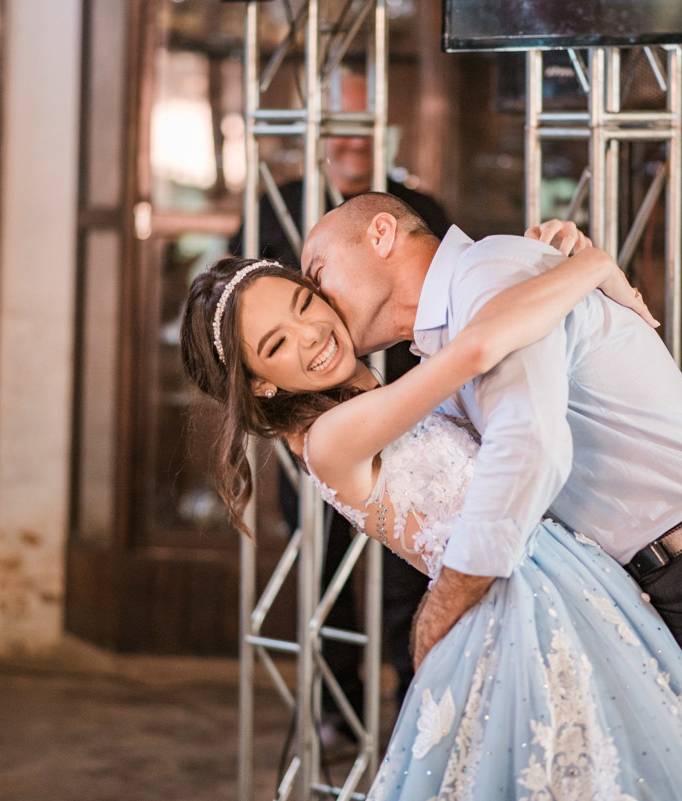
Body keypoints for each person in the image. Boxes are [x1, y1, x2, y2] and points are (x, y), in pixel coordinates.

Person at [180, 221, 682, 799]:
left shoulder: (376, 400)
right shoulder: (329, 441)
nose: (310, 334)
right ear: (259, 386)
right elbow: (479, 347)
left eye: (306, 303)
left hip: (557, 581)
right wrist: (590, 267)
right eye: (276, 344)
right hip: (506, 602)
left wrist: (549, 262)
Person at [227, 68, 452, 740]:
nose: (353, 141)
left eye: (364, 125)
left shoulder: (418, 207)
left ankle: (416, 702)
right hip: (321, 428)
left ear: (384, 129)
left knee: (407, 579)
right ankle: (336, 706)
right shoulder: (279, 204)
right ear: (319, 130)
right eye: (340, 126)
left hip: (412, 417)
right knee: (320, 565)